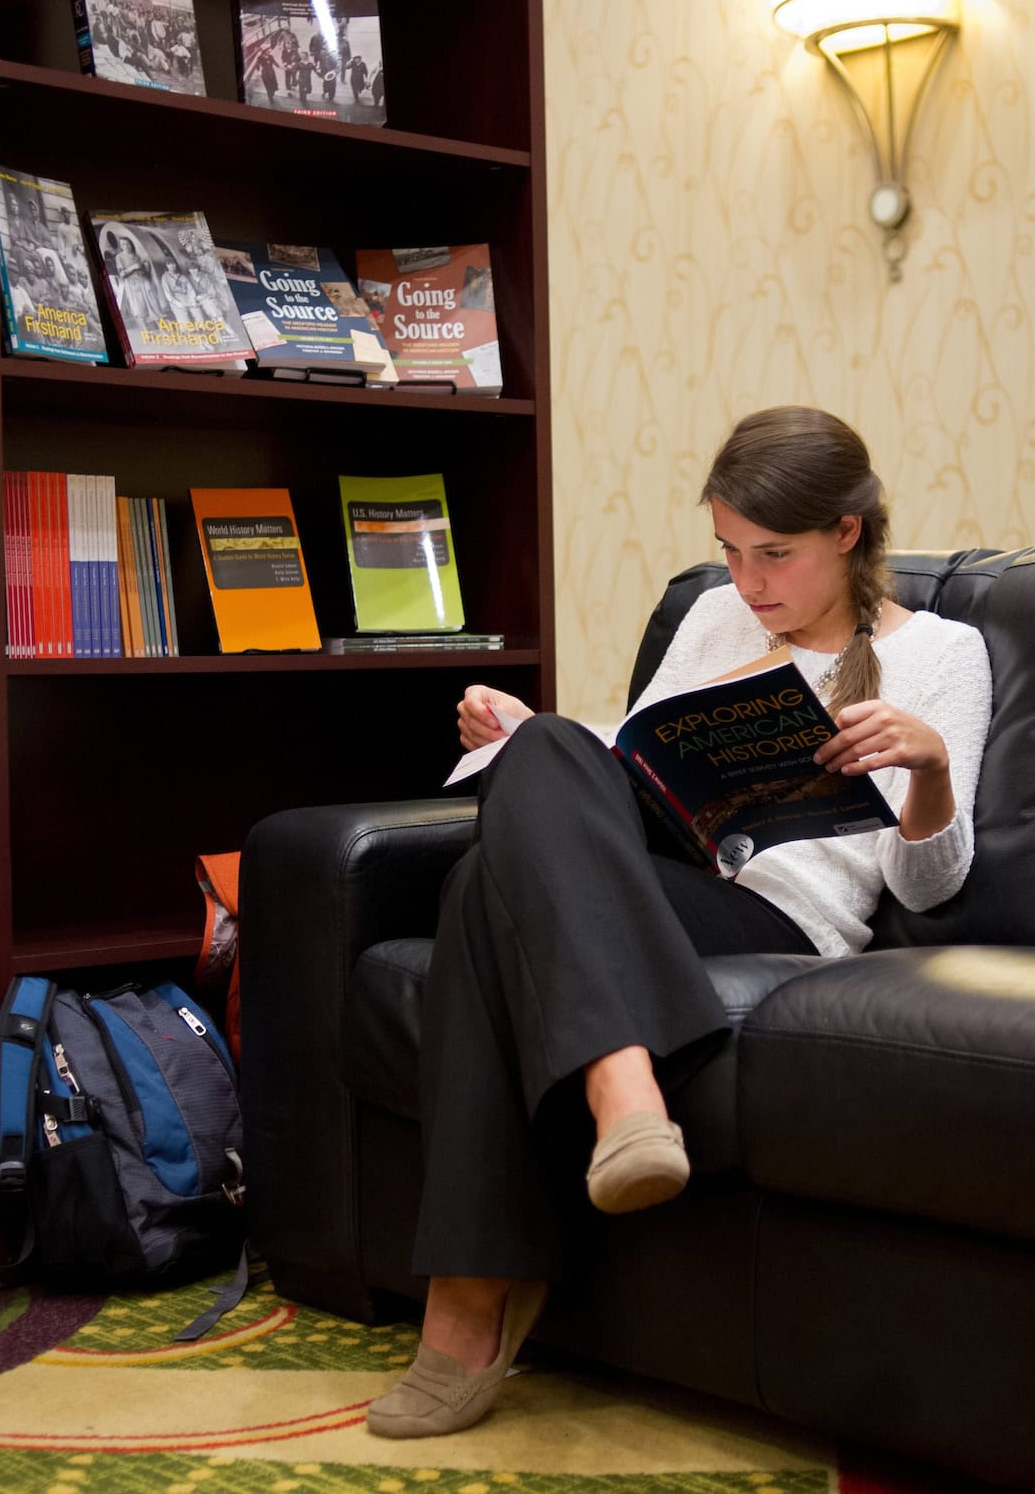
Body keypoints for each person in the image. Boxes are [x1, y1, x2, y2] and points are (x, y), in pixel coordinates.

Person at [365, 405, 992, 1441]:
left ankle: (469, 1301)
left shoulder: (942, 653)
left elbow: (928, 887)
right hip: (654, 872)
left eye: (774, 555)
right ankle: (624, 1098)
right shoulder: (713, 620)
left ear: (846, 532)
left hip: (777, 919)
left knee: (484, 890)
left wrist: (923, 766)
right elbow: (628, 767)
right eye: (729, 553)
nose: (748, 585)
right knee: (554, 749)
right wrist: (525, 744)